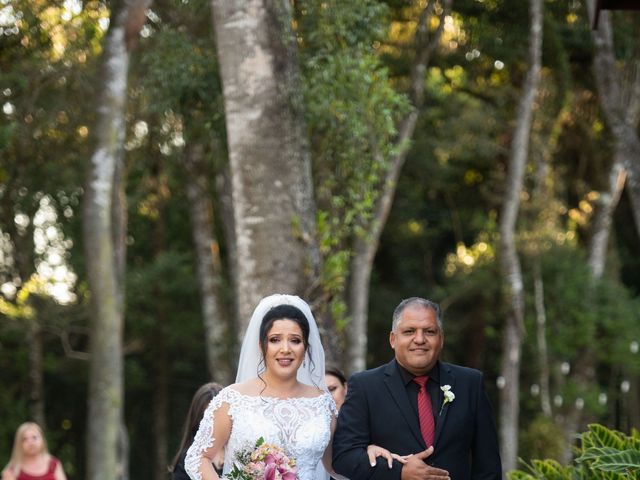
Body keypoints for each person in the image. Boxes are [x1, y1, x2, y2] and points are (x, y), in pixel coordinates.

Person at [185, 293, 395, 480]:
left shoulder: (322, 402)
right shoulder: (233, 399)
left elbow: (335, 464)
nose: (285, 349)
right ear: (262, 346)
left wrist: (367, 452)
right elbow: (198, 458)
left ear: (305, 348)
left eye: (295, 340)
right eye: (275, 340)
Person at [332, 297, 502, 480]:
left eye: (429, 331)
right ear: (393, 339)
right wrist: (400, 472)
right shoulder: (365, 386)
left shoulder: (470, 383)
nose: (419, 339)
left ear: (441, 338)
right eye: (409, 331)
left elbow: (488, 466)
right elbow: (344, 457)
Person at [171, 382, 225, 480]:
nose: (210, 424)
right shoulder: (188, 460)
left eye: (215, 417)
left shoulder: (239, 449)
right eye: (205, 418)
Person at [1, 422, 67, 480]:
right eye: (25, 439)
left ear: (42, 440)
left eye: (34, 437)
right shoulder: (12, 470)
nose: (31, 442)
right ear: (19, 444)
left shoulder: (53, 464)